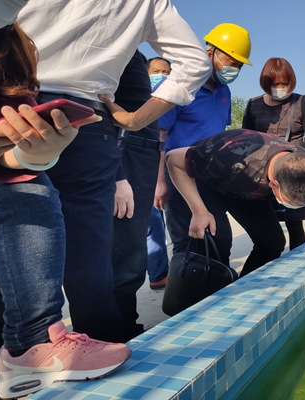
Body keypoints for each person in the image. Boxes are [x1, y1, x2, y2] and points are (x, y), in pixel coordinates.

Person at [17, 0, 212, 342]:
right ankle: (102, 351)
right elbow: (195, 63)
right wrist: (136, 125)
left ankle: (24, 360)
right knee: (89, 261)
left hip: (14, 110)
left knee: (11, 246)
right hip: (86, 124)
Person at [0, 7, 130, 398]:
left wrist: (37, 156)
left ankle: (31, 345)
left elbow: (8, 163)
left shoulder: (13, 43)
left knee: (31, 191)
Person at [166, 129, 305, 294]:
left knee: (272, 242)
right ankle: (200, 307)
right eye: (292, 201)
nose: (297, 206)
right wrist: (198, 210)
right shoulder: (230, 155)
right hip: (200, 184)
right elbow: (173, 159)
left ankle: (238, 294)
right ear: (273, 185)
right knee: (218, 243)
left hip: (244, 191)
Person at [158, 22, 252, 259]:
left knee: (219, 241)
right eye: (232, 62)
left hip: (211, 175)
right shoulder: (180, 86)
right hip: (179, 174)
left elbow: (220, 131)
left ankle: (215, 293)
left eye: (240, 65)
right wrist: (159, 182)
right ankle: (186, 295)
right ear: (210, 53)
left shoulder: (224, 92)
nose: (235, 69)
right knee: (186, 243)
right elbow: (158, 138)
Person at [110, 51, 167, 342]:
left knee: (130, 254)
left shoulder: (131, 52)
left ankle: (125, 328)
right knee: (121, 254)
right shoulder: (112, 49)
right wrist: (117, 173)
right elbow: (99, 108)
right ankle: (113, 334)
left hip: (138, 148)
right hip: (124, 149)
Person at [242, 57, 305, 250]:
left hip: (293, 173)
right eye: (274, 84)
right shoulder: (253, 105)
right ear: (265, 83)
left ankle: (297, 267)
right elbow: (245, 139)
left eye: (284, 83)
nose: (280, 88)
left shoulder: (302, 102)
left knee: (295, 225)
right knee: (266, 229)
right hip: (261, 175)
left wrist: (288, 154)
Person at [145, 56, 172, 291]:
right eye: (156, 71)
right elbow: (159, 140)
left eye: (166, 71)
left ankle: (158, 272)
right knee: (152, 224)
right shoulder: (140, 102)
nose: (161, 75)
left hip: (160, 170)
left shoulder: (169, 100)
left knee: (158, 224)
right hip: (144, 171)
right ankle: (158, 273)